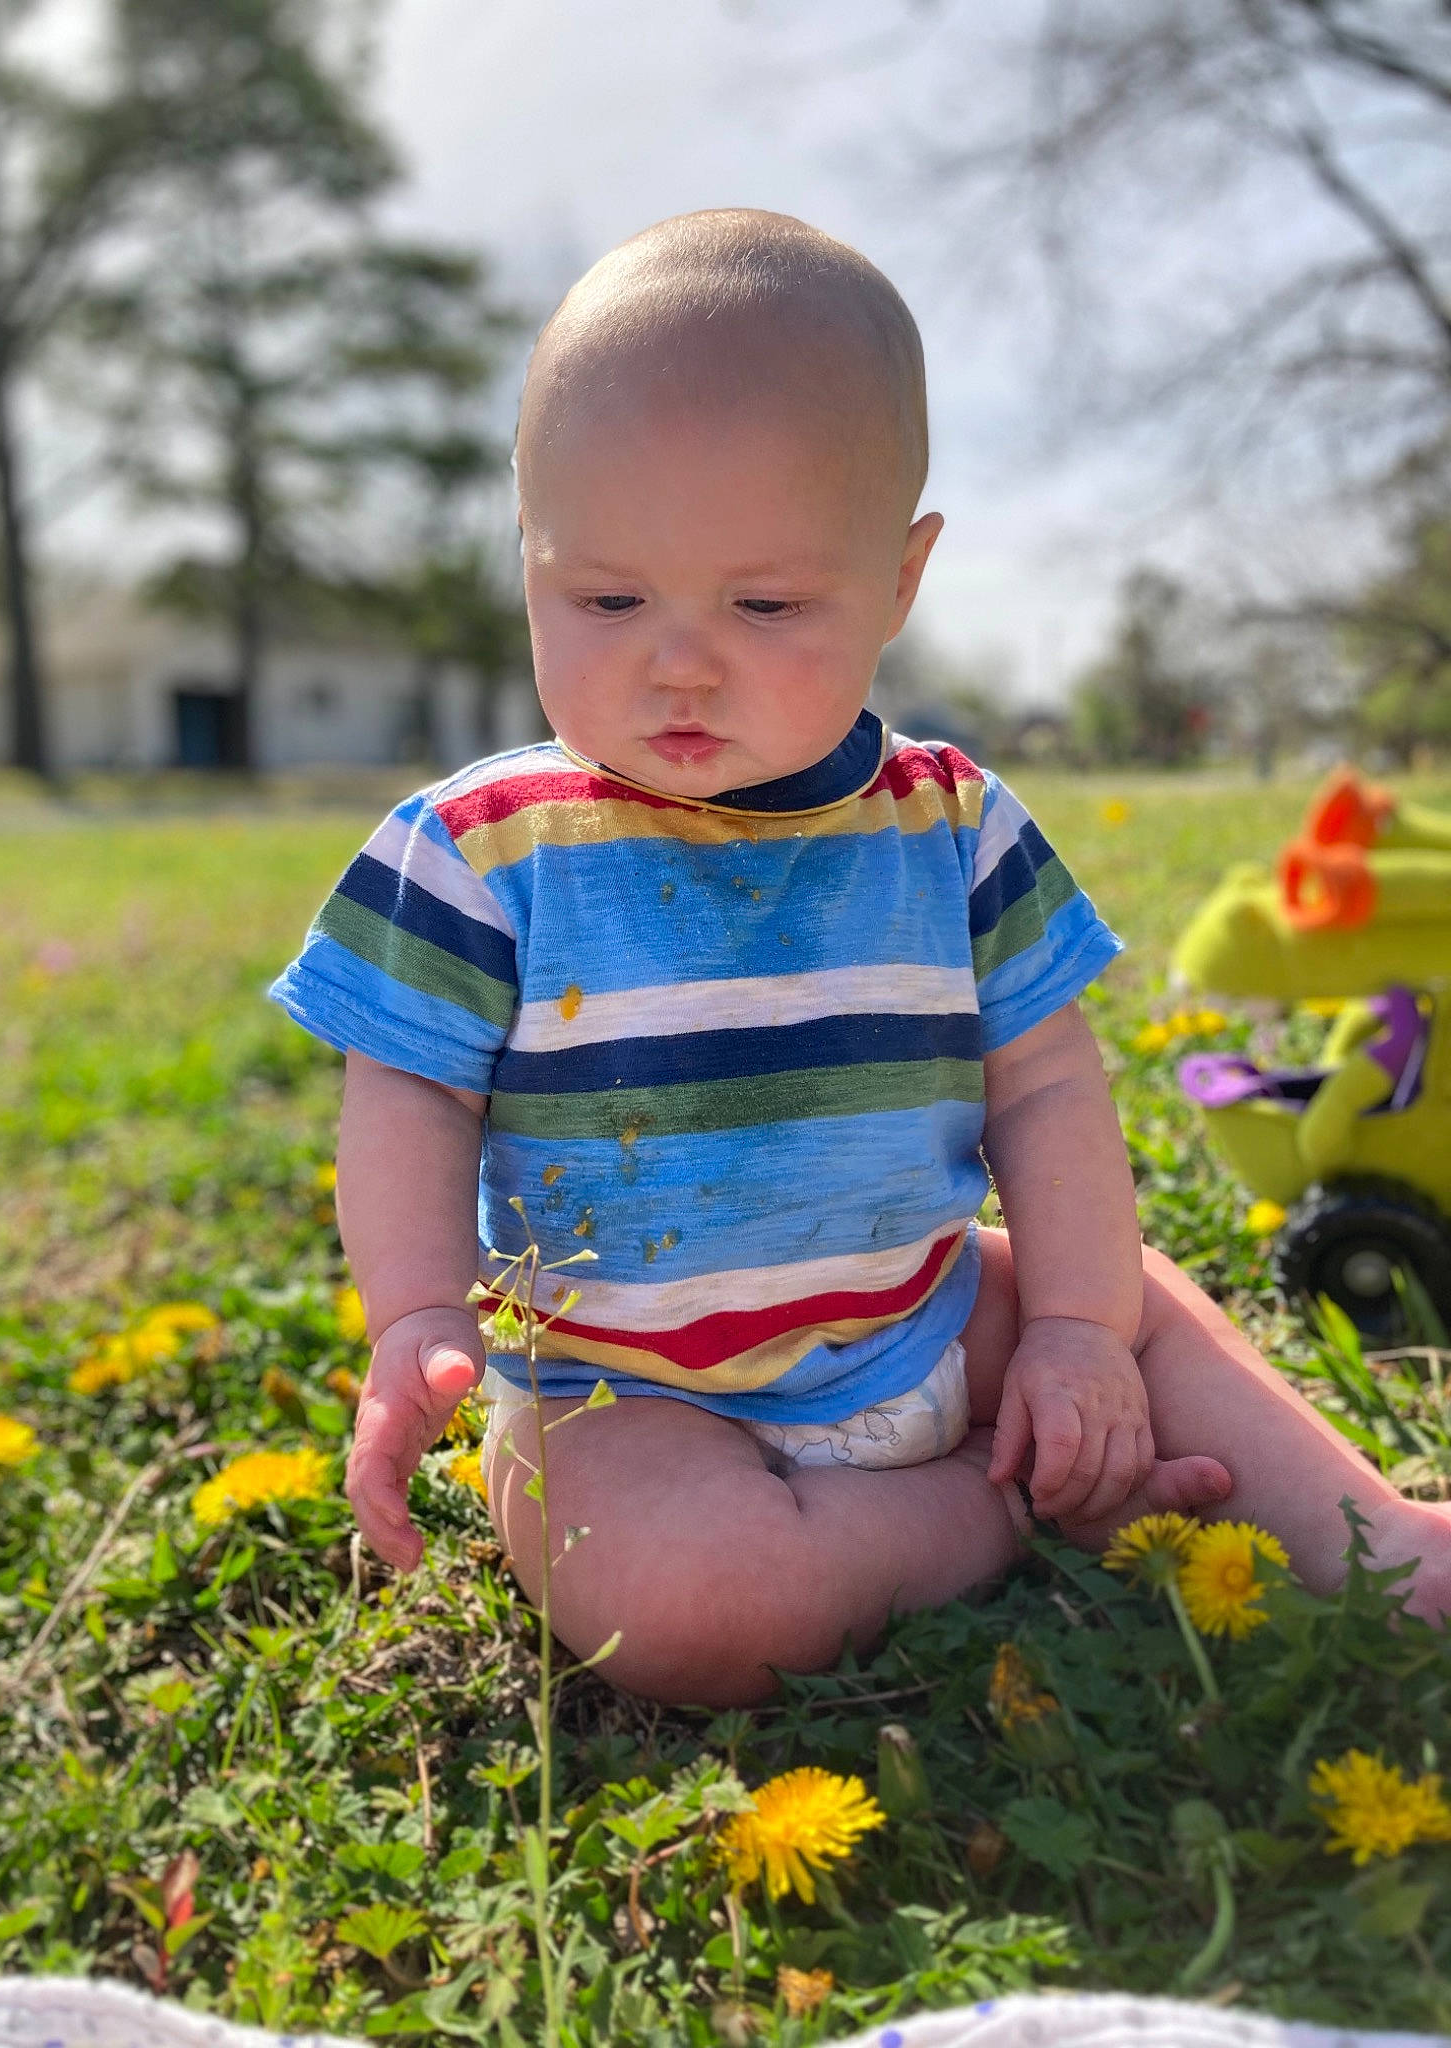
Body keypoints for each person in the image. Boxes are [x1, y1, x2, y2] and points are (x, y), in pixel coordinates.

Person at [270, 209, 1451, 1708]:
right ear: (528, 563)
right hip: (630, 1398)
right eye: (606, 598)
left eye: (766, 606)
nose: (677, 660)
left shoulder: (952, 827)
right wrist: (420, 1318)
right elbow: (410, 1099)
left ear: (899, 581)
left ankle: (1386, 1542)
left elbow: (1045, 1091)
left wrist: (1079, 1336)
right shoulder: (485, 849)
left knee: (1137, 1300)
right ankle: (1002, 1510)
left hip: (929, 1316)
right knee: (689, 1607)